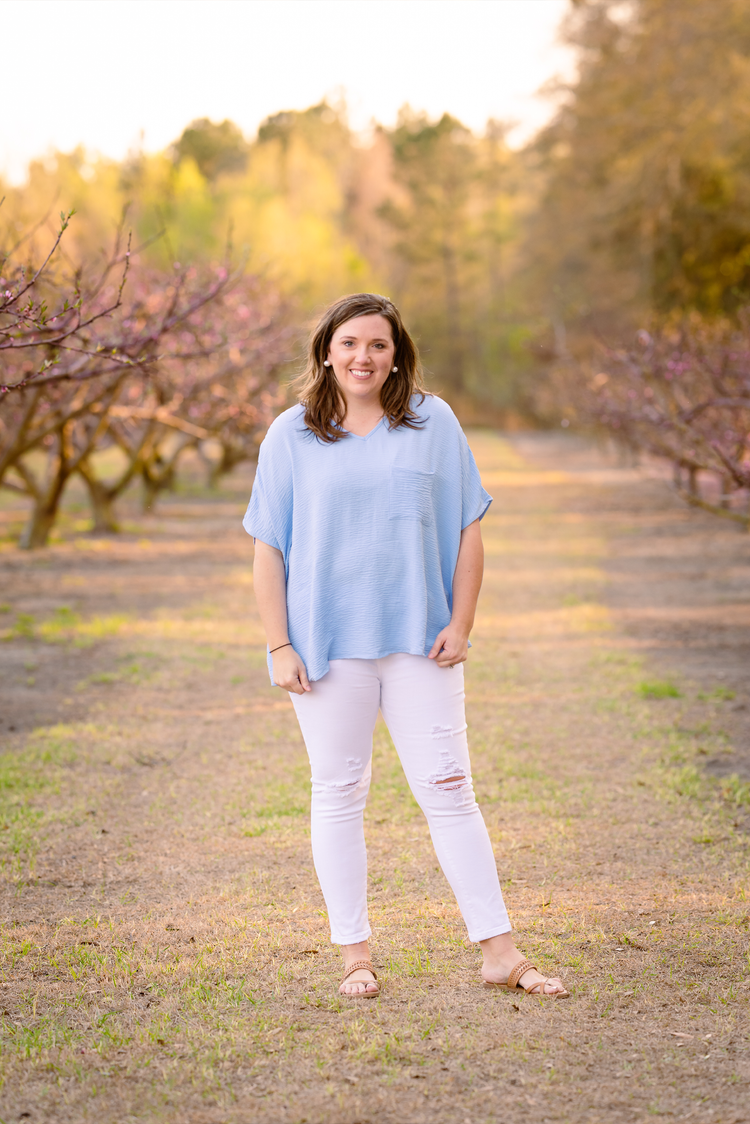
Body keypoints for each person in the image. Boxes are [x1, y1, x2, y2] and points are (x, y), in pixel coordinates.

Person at [244, 293, 569, 1000]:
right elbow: (269, 549)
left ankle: (501, 953)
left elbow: (467, 528)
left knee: (451, 792)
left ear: (398, 355)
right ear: (326, 350)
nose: (364, 357)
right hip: (327, 649)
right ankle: (355, 955)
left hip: (422, 642)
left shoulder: (434, 423)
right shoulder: (290, 435)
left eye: (379, 345)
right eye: (351, 343)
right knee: (338, 793)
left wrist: (463, 620)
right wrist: (278, 645)